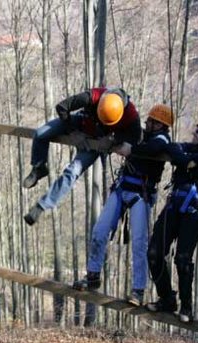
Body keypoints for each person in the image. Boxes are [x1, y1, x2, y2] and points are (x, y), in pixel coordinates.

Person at [72, 104, 175, 307]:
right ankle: (93, 275)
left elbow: (153, 148)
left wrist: (131, 150)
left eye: (152, 121)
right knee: (99, 231)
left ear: (160, 125)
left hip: (141, 194)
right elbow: (125, 135)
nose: (147, 122)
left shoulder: (162, 139)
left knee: (139, 243)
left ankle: (138, 290)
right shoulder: (140, 134)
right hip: (122, 188)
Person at [144, 118, 198, 323]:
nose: (194, 134)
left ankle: (186, 306)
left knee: (182, 258)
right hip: (174, 206)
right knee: (154, 252)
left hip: (195, 211)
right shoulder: (186, 148)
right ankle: (166, 298)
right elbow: (173, 148)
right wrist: (186, 159)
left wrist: (191, 160)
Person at [23, 87, 142, 225]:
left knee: (72, 172)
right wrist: (73, 132)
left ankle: (41, 206)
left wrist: (113, 140)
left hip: (97, 141)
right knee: (40, 133)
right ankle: (39, 167)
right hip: (80, 124)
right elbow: (62, 107)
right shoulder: (93, 96)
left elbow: (136, 138)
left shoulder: (131, 115)